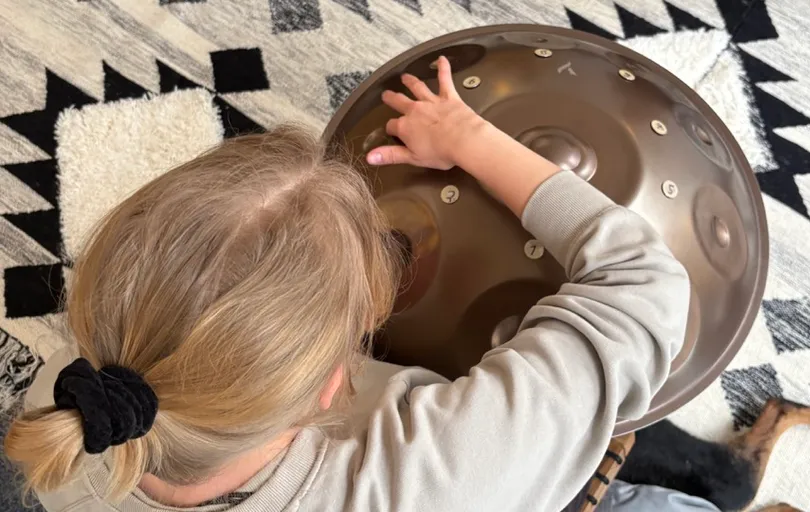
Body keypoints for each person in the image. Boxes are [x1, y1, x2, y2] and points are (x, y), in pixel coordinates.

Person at [5, 57, 692, 511]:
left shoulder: (67, 408)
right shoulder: (431, 483)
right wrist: (475, 143)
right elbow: (643, 285)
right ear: (333, 385)